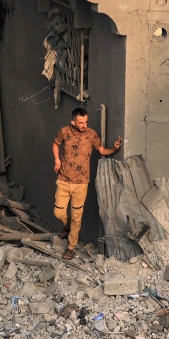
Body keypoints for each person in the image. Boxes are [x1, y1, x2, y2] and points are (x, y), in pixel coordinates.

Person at [51, 108, 122, 259]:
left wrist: (114, 149)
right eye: (81, 122)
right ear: (73, 122)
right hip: (63, 179)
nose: (84, 125)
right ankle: (66, 225)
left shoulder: (91, 135)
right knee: (58, 212)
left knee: (77, 216)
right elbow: (55, 144)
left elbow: (101, 150)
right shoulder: (64, 132)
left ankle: (71, 247)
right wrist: (57, 160)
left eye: (85, 122)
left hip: (81, 183)